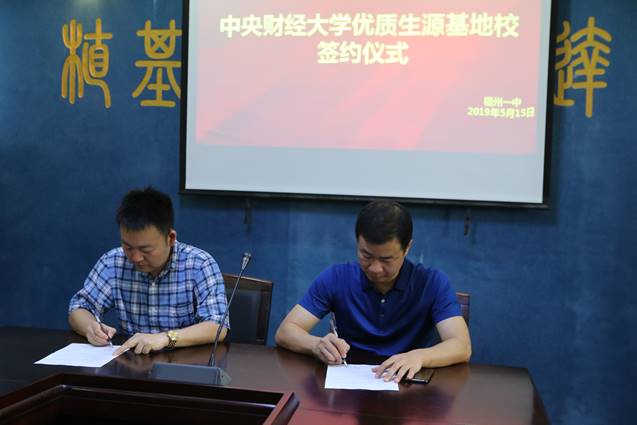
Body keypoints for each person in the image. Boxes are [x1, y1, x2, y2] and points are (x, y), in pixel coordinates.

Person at [275, 200, 471, 382]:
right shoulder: (336, 278)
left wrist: (419, 356)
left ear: (407, 248)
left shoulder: (432, 283)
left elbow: (461, 345)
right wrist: (316, 345)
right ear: (357, 243)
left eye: (386, 260)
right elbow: (285, 332)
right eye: (366, 255)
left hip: (406, 384)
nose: (375, 269)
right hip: (349, 383)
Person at [68, 187, 228, 356]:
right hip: (131, 363)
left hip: (182, 363)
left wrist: (166, 338)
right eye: (128, 247)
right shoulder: (113, 262)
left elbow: (217, 327)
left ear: (170, 238)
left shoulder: (199, 264)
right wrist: (90, 327)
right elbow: (79, 308)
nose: (136, 257)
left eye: (146, 249)